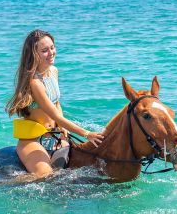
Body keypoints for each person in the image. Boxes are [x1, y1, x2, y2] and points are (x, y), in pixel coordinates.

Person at [6, 29, 104, 179]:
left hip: (55, 135)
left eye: (52, 47)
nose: (51, 52)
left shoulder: (54, 71)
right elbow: (54, 115)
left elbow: (56, 103)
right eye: (44, 50)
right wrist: (86, 134)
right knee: (44, 177)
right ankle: (4, 185)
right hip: (33, 140)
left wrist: (63, 127)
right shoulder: (35, 83)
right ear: (34, 54)